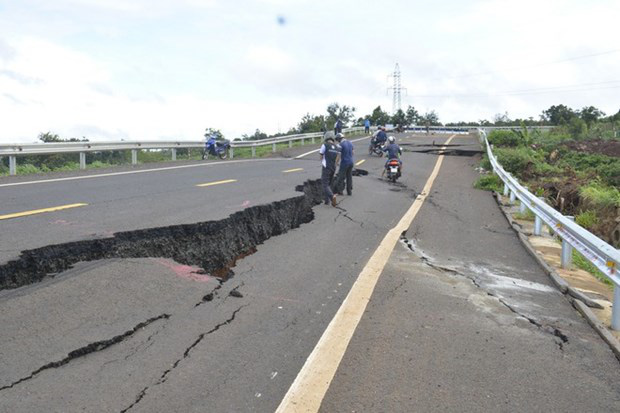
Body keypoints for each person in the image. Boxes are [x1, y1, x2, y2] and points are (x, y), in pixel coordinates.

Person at [319, 136, 340, 206]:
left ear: (326, 140)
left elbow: (321, 155)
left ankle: (332, 196)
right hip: (333, 168)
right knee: (329, 184)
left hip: (326, 167)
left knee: (325, 184)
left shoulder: (325, 145)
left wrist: (323, 162)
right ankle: (326, 201)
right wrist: (335, 165)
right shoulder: (336, 147)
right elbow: (338, 157)